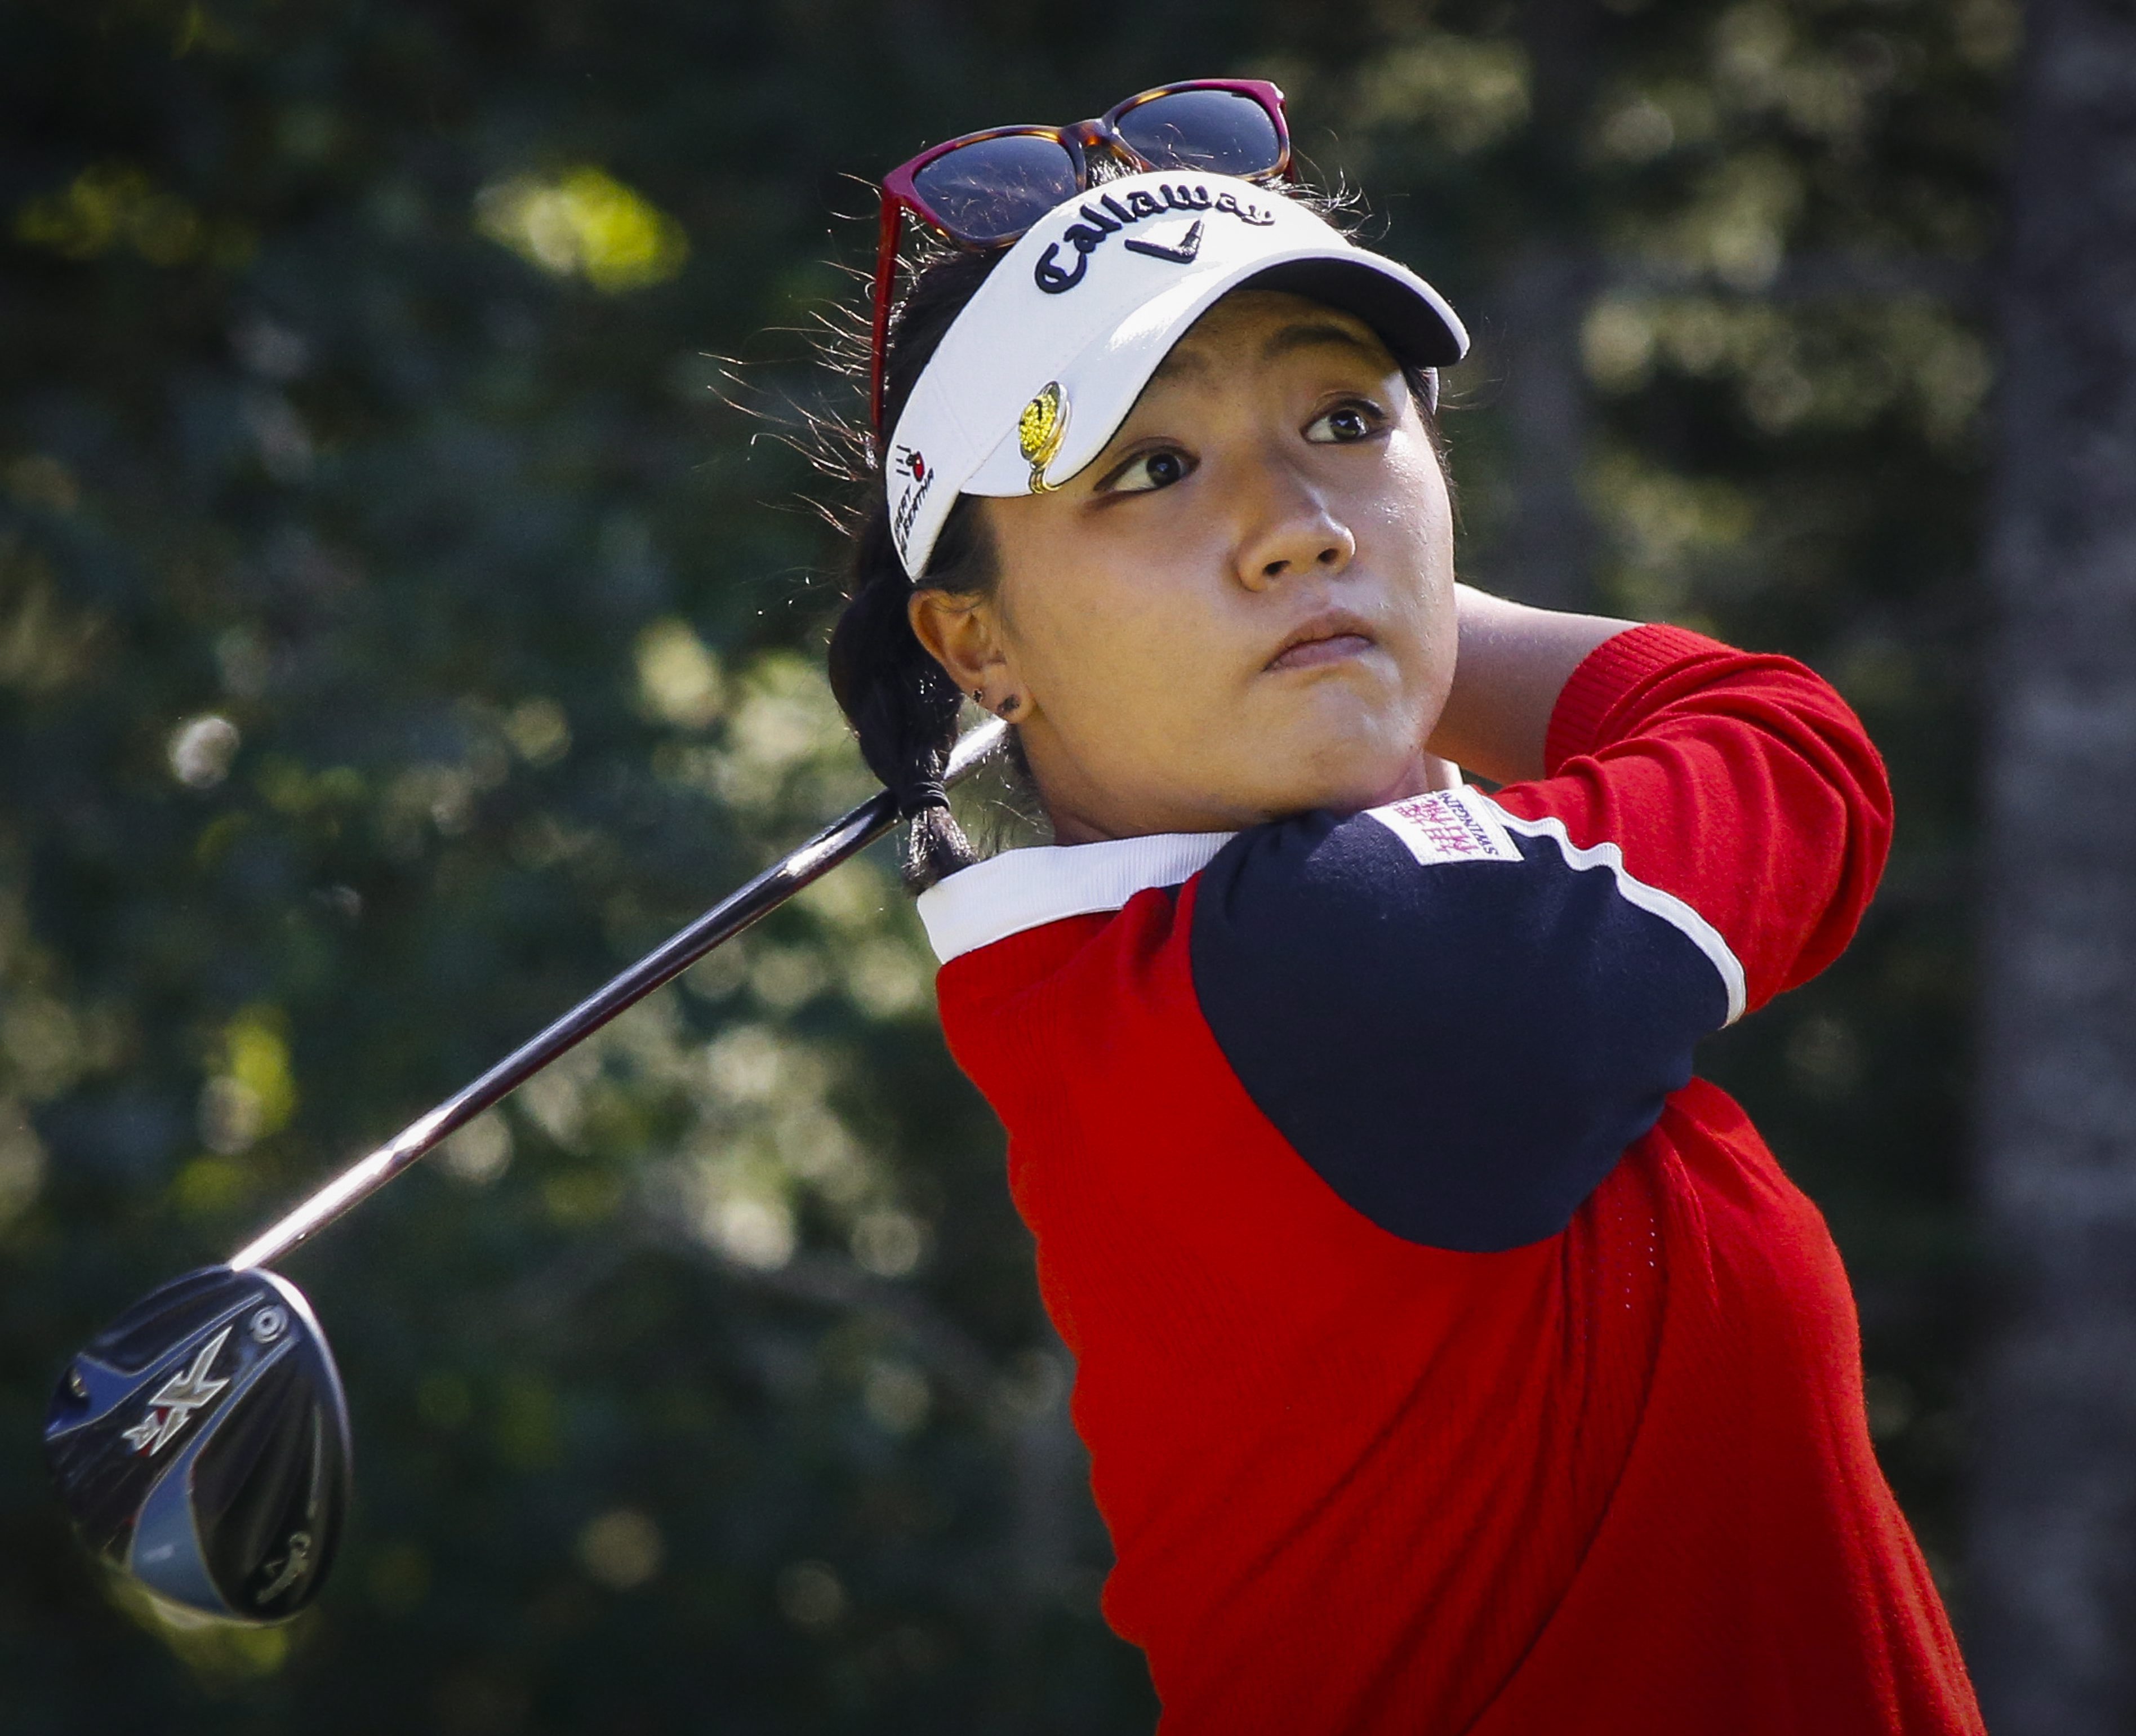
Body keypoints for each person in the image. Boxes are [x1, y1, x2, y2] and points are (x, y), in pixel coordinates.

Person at [820, 81, 1985, 1734]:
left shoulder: (1124, 985)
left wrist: (1369, 613)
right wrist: (1392, 608)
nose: (1292, 526)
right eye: (1151, 466)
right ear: (976, 648)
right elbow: (1795, 753)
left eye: (1349, 423)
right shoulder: (1337, 969)